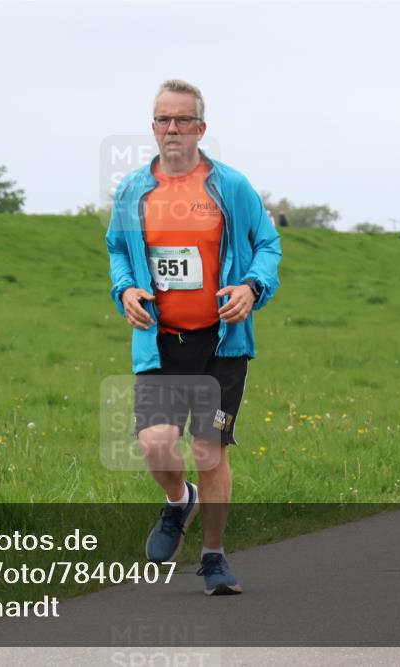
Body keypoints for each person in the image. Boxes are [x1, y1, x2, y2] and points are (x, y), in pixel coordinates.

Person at [105, 79, 281, 596]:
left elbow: (268, 245)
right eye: (164, 119)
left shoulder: (231, 186)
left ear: (201, 128)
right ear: (152, 127)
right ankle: (179, 500)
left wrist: (252, 287)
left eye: (183, 119)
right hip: (160, 340)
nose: (173, 128)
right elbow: (117, 249)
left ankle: (213, 557)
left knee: (209, 449)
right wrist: (125, 289)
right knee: (156, 443)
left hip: (221, 343)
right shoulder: (134, 190)